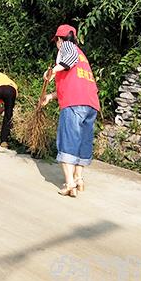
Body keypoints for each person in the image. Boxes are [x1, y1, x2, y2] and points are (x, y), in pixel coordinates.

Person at [40, 24, 100, 198]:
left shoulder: (68, 47)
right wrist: (50, 97)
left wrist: (52, 71)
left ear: (60, 39)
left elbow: (69, 58)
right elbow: (73, 84)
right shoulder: (83, 57)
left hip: (74, 104)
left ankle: (70, 184)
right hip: (90, 104)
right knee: (82, 142)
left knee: (68, 141)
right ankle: (79, 179)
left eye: (56, 41)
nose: (57, 45)